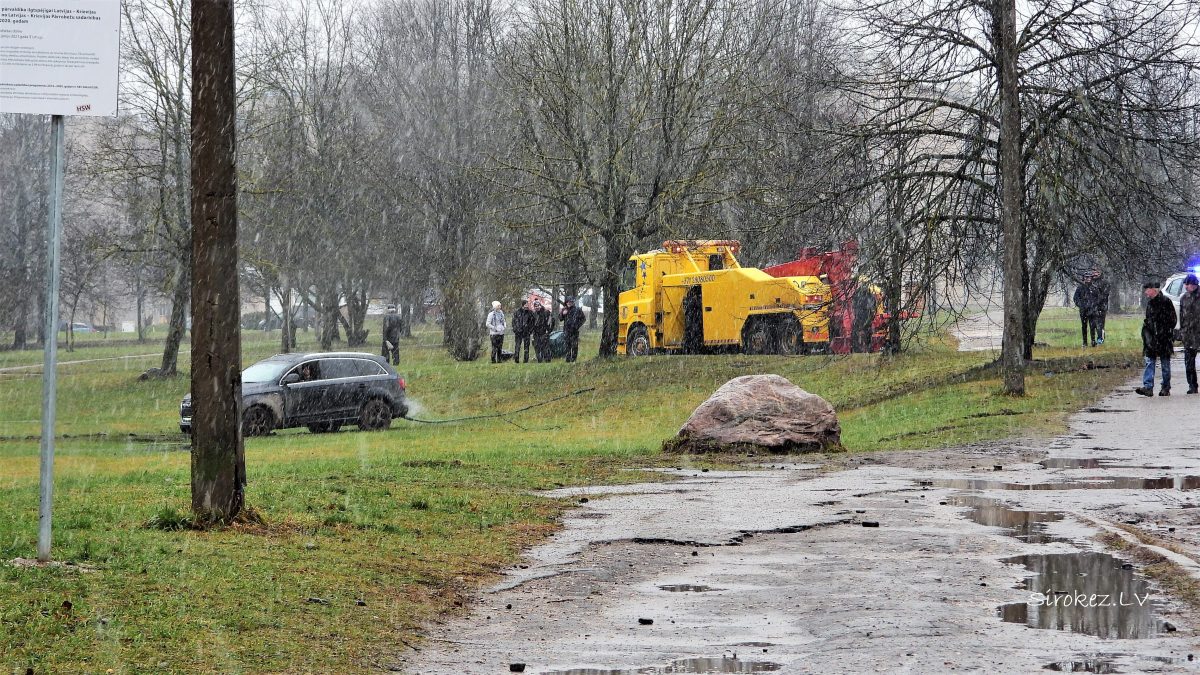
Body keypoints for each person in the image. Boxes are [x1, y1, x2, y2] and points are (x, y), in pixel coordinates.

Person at [1135, 281, 1177, 397]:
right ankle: (1148, 387)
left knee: (1165, 364)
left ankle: (1165, 387)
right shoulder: (1150, 304)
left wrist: (1165, 332)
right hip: (1152, 337)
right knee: (1150, 361)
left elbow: (1173, 320)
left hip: (1164, 337)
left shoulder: (1166, 302)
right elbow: (1148, 320)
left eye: (1147, 289)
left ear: (1154, 289)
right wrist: (1148, 333)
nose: (1145, 292)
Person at [1180, 274, 1200, 395]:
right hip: (1188, 334)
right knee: (1189, 362)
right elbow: (1182, 317)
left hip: (1199, 331)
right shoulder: (1184, 298)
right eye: (1185, 285)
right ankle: (1192, 385)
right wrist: (1182, 331)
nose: (1186, 287)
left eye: (1188, 285)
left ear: (1194, 285)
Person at [1073, 274, 1101, 347]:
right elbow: (1075, 298)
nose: (1088, 279)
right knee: (1084, 327)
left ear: (1091, 278)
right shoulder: (1080, 288)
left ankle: (1093, 341)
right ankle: (1084, 342)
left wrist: (1094, 306)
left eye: (1089, 277)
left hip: (1092, 311)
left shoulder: (1094, 288)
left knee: (1092, 326)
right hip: (1083, 311)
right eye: (1086, 277)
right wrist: (1081, 305)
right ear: (1084, 278)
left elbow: (1098, 299)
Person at [560, 296, 586, 363]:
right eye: (568, 302)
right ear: (566, 302)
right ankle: (567, 360)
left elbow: (583, 319)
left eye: (571, 301)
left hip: (574, 331)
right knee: (567, 346)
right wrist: (562, 314)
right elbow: (560, 319)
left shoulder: (577, 309)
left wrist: (577, 326)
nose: (569, 303)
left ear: (573, 302)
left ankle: (573, 360)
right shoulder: (564, 309)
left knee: (574, 346)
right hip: (566, 331)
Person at [512, 298, 535, 364]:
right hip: (518, 332)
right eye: (526, 305)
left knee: (526, 347)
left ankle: (526, 360)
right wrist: (515, 329)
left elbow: (533, 322)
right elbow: (513, 322)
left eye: (527, 305)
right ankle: (516, 360)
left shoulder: (530, 313)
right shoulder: (517, 312)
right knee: (517, 346)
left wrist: (530, 330)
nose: (527, 306)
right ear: (523, 305)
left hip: (526, 332)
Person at [1091, 270, 1111, 345]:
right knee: (1093, 325)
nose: (1095, 274)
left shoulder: (1105, 283)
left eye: (1097, 272)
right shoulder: (1091, 282)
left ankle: (1101, 339)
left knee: (1100, 324)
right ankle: (1093, 340)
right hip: (1092, 307)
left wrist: (1097, 301)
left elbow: (1104, 295)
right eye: (1094, 272)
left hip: (1102, 307)